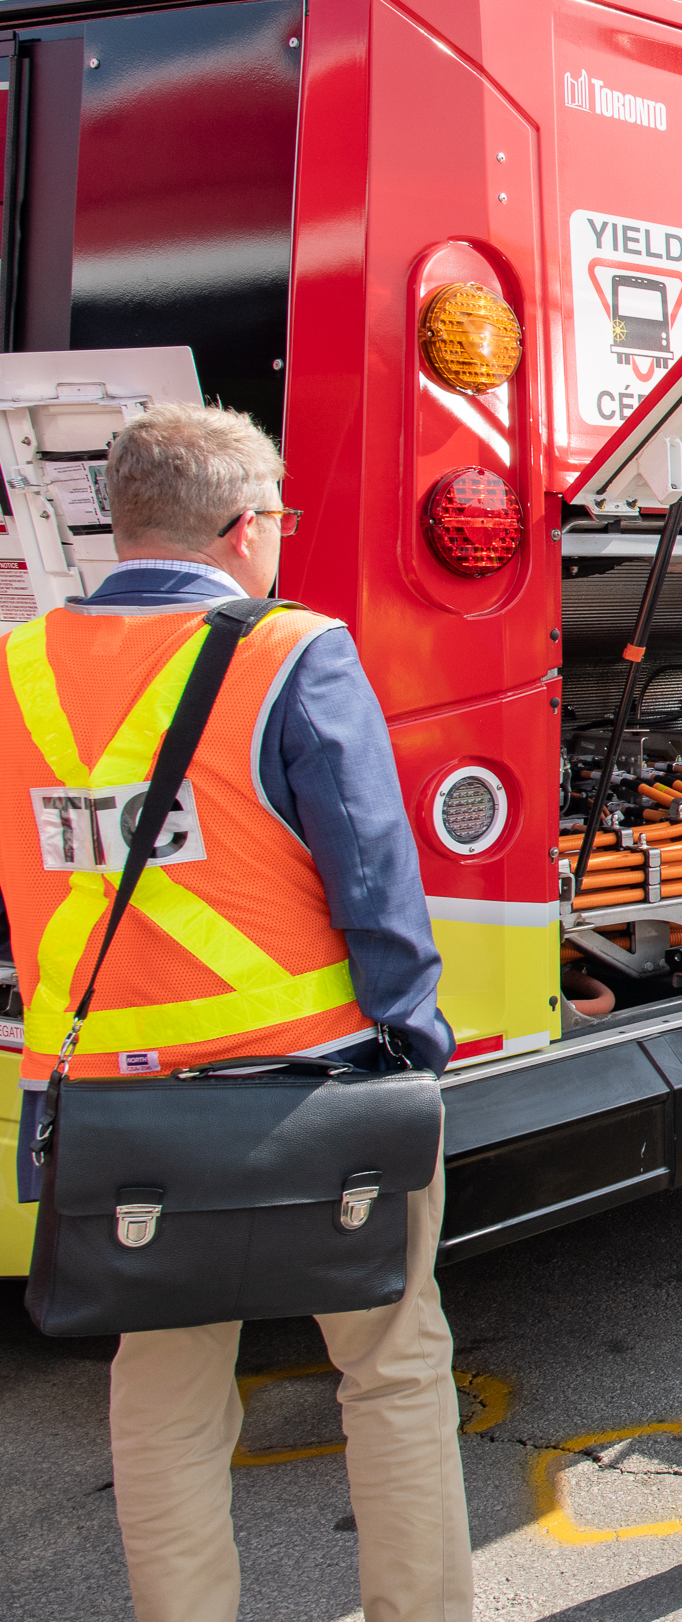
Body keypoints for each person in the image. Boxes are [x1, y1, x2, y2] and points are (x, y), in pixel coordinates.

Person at [0, 406, 467, 1622]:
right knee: (393, 1370)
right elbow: (373, 876)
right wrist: (416, 1040)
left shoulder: (17, 667)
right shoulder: (292, 652)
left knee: (161, 1390)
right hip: (307, 1088)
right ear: (249, 526)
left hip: (114, 1107)